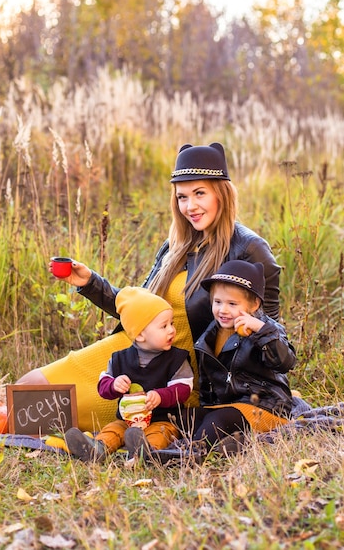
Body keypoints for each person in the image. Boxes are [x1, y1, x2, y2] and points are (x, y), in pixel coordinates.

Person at [17, 142, 281, 432]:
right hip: (134, 354)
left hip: (175, 374)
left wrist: (243, 397)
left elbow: (269, 331)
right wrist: (90, 283)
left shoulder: (249, 249)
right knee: (28, 387)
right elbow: (140, 311)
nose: (190, 206)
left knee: (42, 416)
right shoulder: (176, 246)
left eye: (200, 193)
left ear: (222, 192)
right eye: (182, 197)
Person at [63, 286, 194, 461]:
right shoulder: (120, 359)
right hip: (128, 421)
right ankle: (97, 448)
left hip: (163, 420)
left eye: (172, 323)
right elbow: (103, 386)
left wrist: (161, 396)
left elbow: (184, 388)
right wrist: (114, 385)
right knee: (114, 430)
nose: (171, 330)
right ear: (140, 335)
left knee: (160, 433)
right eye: (164, 326)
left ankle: (147, 451)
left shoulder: (176, 359)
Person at [181, 259, 296, 455]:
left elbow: (285, 362)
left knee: (217, 421)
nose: (223, 310)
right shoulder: (209, 336)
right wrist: (205, 409)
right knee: (187, 418)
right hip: (230, 407)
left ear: (254, 305)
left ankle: (191, 454)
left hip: (265, 406)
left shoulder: (266, 330)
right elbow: (208, 382)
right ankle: (234, 443)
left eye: (232, 304)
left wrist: (262, 332)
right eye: (218, 302)